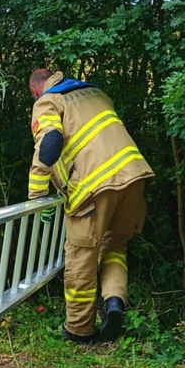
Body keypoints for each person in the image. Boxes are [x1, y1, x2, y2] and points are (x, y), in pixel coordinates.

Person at [27, 68, 154, 343]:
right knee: (114, 244)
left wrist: (38, 197)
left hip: (93, 186)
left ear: (35, 91)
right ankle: (114, 302)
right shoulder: (94, 92)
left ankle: (79, 329)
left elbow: (49, 142)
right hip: (133, 177)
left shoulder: (48, 100)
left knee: (81, 257)